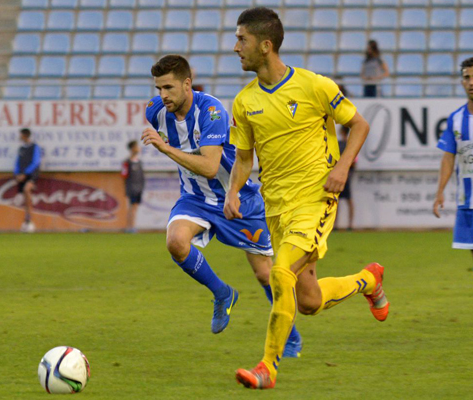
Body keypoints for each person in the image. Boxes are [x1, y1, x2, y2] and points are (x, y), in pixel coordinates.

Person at [224, 8, 389, 389]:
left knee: (279, 272)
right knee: (310, 301)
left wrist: (343, 167)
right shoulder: (244, 101)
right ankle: (369, 281)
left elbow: (359, 124)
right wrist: (232, 191)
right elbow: (245, 158)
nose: (236, 48)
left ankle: (268, 367)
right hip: (276, 208)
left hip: (316, 198)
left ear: (266, 46)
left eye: (241, 40)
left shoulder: (316, 86)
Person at [142, 54, 303, 356]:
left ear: (187, 84)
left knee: (264, 273)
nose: (162, 95)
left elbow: (210, 167)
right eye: (158, 88)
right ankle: (223, 293)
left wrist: (164, 149)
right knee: (176, 242)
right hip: (195, 198)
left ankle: (290, 336)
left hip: (236, 198)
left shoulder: (212, 111)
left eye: (169, 87)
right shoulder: (155, 111)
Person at [434, 57, 473, 278]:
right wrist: (440, 191)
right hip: (469, 202)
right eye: (467, 77)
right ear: (462, 82)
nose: (472, 82)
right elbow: (448, 158)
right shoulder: (456, 119)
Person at [14, 128, 41, 233]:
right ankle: (27, 221)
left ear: (25, 135)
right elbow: (17, 162)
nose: (20, 137)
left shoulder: (34, 147)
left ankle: (29, 220)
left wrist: (25, 173)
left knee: (26, 190)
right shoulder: (21, 148)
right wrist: (16, 174)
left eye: (21, 135)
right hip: (21, 175)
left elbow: (36, 162)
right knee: (25, 196)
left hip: (31, 175)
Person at [121, 140, 145, 233]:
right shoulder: (127, 162)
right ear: (132, 148)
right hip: (131, 187)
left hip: (139, 188)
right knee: (132, 207)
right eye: (136, 146)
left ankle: (132, 226)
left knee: (135, 207)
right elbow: (124, 175)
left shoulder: (139, 162)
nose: (138, 148)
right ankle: (129, 227)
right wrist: (127, 187)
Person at [337, 126, 355, 230]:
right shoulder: (350, 144)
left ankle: (336, 224)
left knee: (339, 200)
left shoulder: (341, 144)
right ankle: (349, 224)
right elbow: (354, 161)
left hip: (341, 175)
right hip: (346, 174)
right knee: (347, 200)